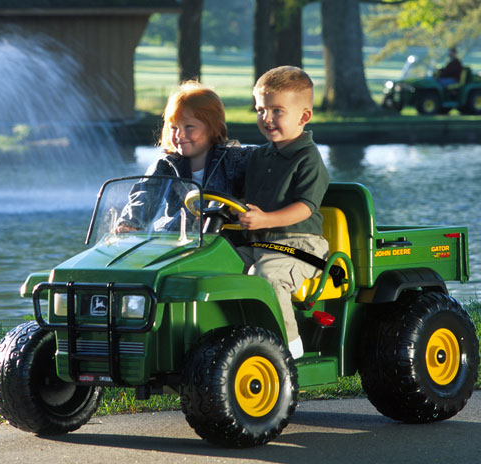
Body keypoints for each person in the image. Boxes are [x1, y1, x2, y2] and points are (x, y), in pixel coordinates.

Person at [237, 66, 330, 359]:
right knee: (214, 265)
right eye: (261, 109)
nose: (266, 118)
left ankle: (286, 348)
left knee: (266, 275)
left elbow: (305, 208)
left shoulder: (307, 158)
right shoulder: (258, 155)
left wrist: (264, 219)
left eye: (277, 111)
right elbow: (246, 197)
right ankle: (233, 340)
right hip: (259, 243)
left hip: (301, 245)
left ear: (303, 116)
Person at [116, 80, 253, 233]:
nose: (179, 135)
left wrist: (243, 205)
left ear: (214, 128)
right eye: (174, 127)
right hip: (177, 237)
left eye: (189, 127)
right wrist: (130, 223)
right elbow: (145, 193)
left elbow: (259, 189)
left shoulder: (235, 159)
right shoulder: (166, 164)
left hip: (222, 239)